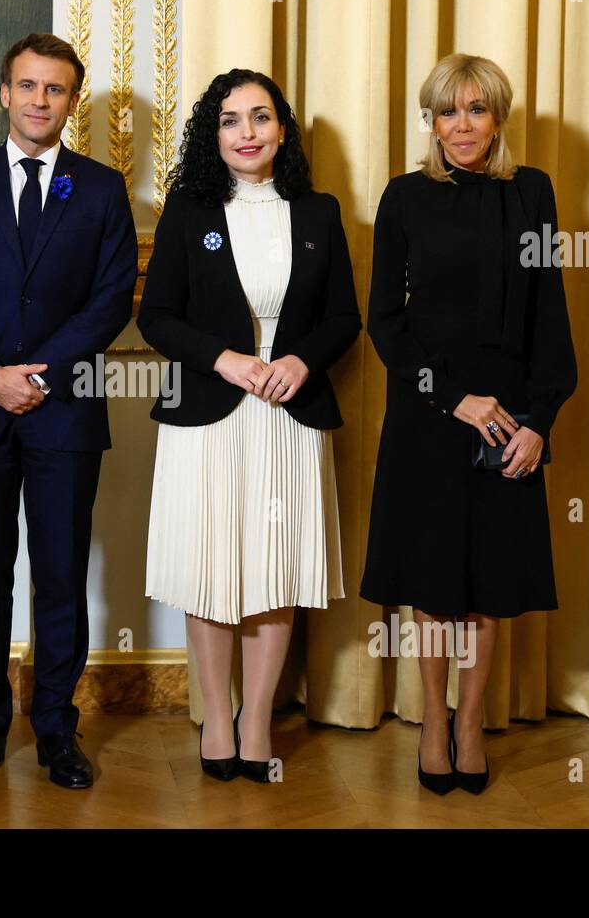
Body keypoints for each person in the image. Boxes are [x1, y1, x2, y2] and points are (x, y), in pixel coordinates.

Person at [0, 33, 137, 789]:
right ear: (3, 93)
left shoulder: (102, 190)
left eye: (56, 89)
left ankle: (55, 729)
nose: (41, 100)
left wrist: (38, 376)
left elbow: (111, 300)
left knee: (60, 576)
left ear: (72, 101)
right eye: (28, 86)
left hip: (64, 415)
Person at [359, 53, 577, 795]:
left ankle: (472, 724)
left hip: (509, 419)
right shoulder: (405, 197)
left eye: (476, 110)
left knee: (488, 580)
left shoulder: (534, 193)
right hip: (429, 413)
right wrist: (451, 398)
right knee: (433, 578)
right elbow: (384, 320)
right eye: (447, 111)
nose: (462, 126)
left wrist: (538, 421)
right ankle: (431, 723)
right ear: (432, 120)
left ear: (498, 117)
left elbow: (550, 312)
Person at [137, 69, 361, 782]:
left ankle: (257, 720)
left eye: (260, 117)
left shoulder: (320, 212)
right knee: (212, 568)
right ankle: (217, 717)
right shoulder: (189, 208)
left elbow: (344, 319)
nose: (247, 132)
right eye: (230, 120)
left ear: (282, 130)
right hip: (211, 410)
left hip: (287, 413)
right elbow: (156, 316)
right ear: (214, 134)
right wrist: (227, 360)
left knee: (274, 568)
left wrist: (300, 361)